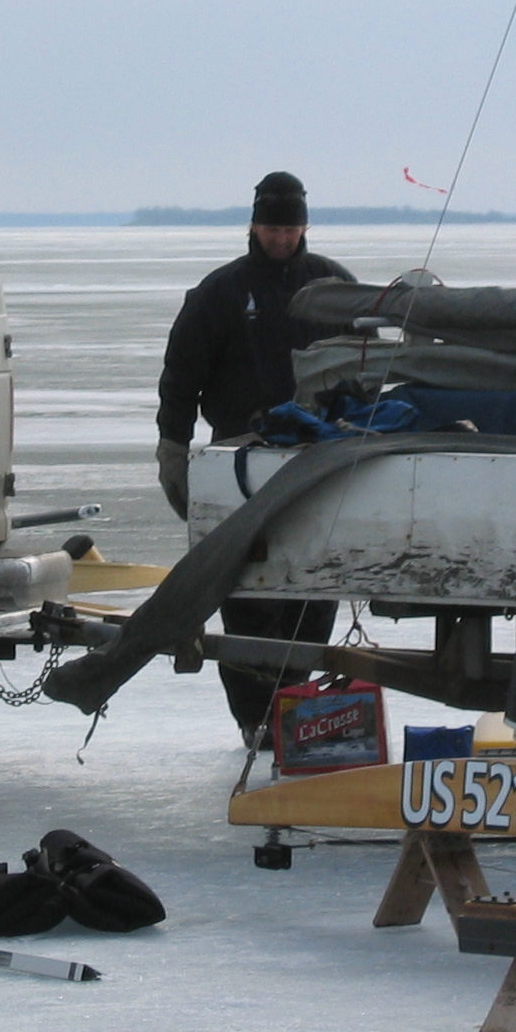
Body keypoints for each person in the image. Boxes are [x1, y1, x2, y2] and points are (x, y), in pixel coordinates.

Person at [156, 171, 356, 740]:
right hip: (236, 460)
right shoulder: (220, 294)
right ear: (254, 224)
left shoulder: (334, 287)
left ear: (304, 226)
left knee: (313, 591)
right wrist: (173, 447)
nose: (281, 238)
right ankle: (254, 717)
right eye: (272, 227)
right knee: (243, 592)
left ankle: (301, 713)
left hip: (318, 457)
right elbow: (181, 378)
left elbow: (366, 370)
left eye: (291, 227)